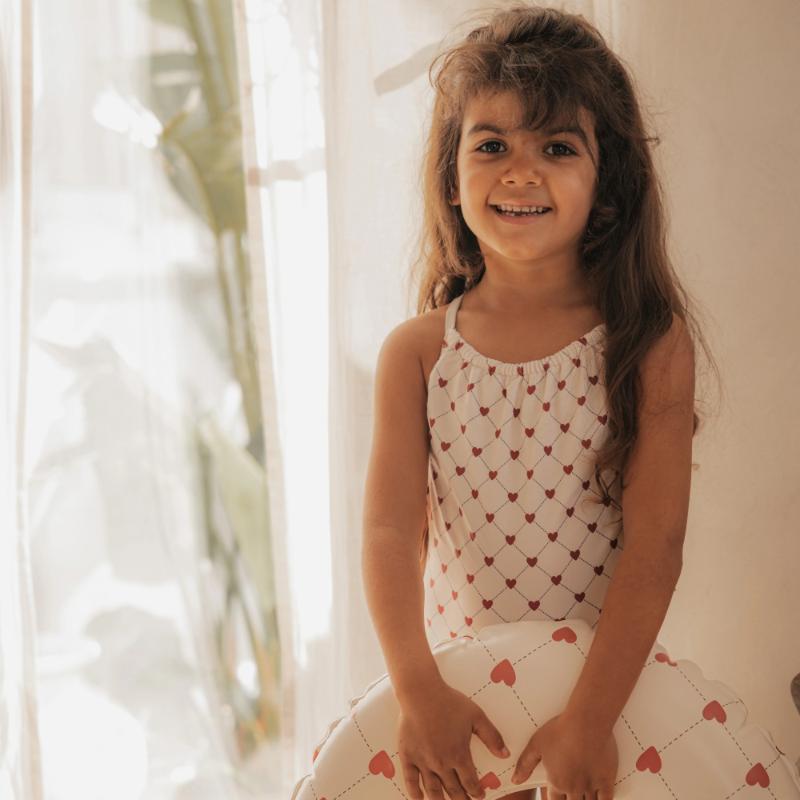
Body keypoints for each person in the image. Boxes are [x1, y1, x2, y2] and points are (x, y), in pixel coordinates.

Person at [361, 4, 719, 800]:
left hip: (603, 706)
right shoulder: (417, 354)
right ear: (452, 176)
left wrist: (588, 721)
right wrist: (418, 694)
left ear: (607, 182)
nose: (520, 173)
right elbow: (388, 534)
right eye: (491, 145)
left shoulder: (648, 344)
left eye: (557, 147)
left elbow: (655, 548)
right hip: (460, 713)